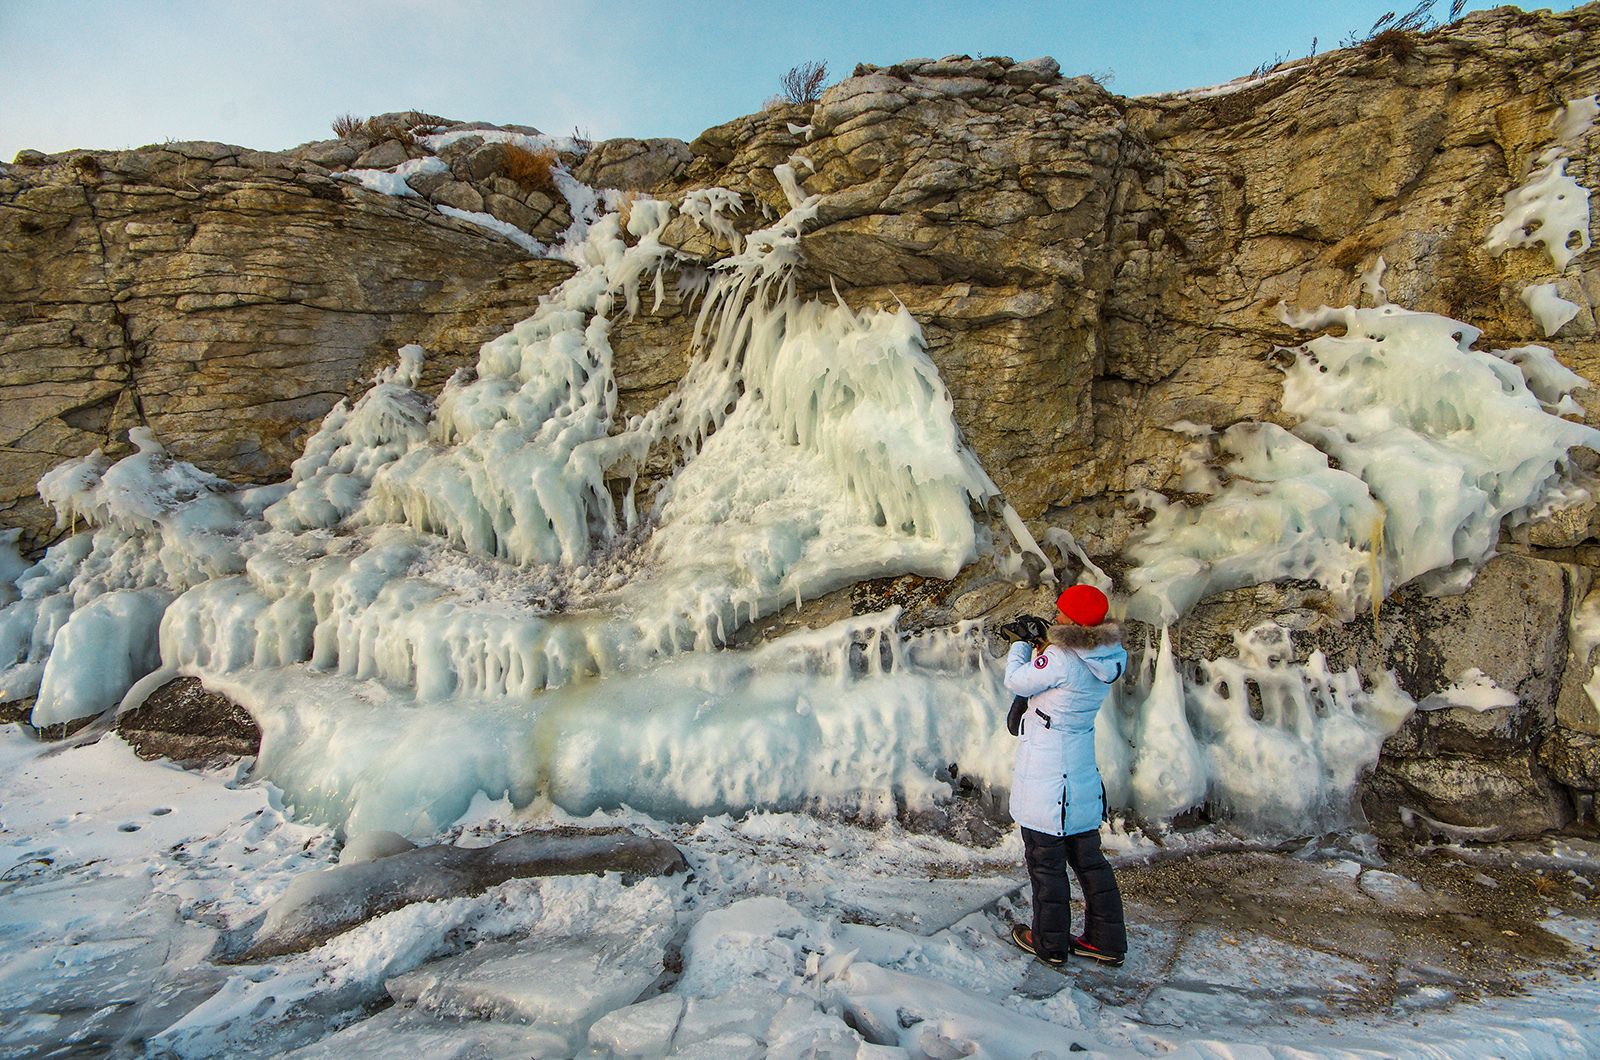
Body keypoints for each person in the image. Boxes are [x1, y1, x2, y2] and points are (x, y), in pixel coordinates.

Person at [1000, 584, 1128, 968]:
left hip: (1047, 775)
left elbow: (1017, 680)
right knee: (1089, 860)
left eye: (1060, 614)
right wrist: (1047, 643)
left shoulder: (1060, 658)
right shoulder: (1105, 655)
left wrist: (1022, 644)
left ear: (1073, 620)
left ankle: (1049, 944)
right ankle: (1106, 940)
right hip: (1081, 774)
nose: (1054, 618)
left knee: (1045, 862)